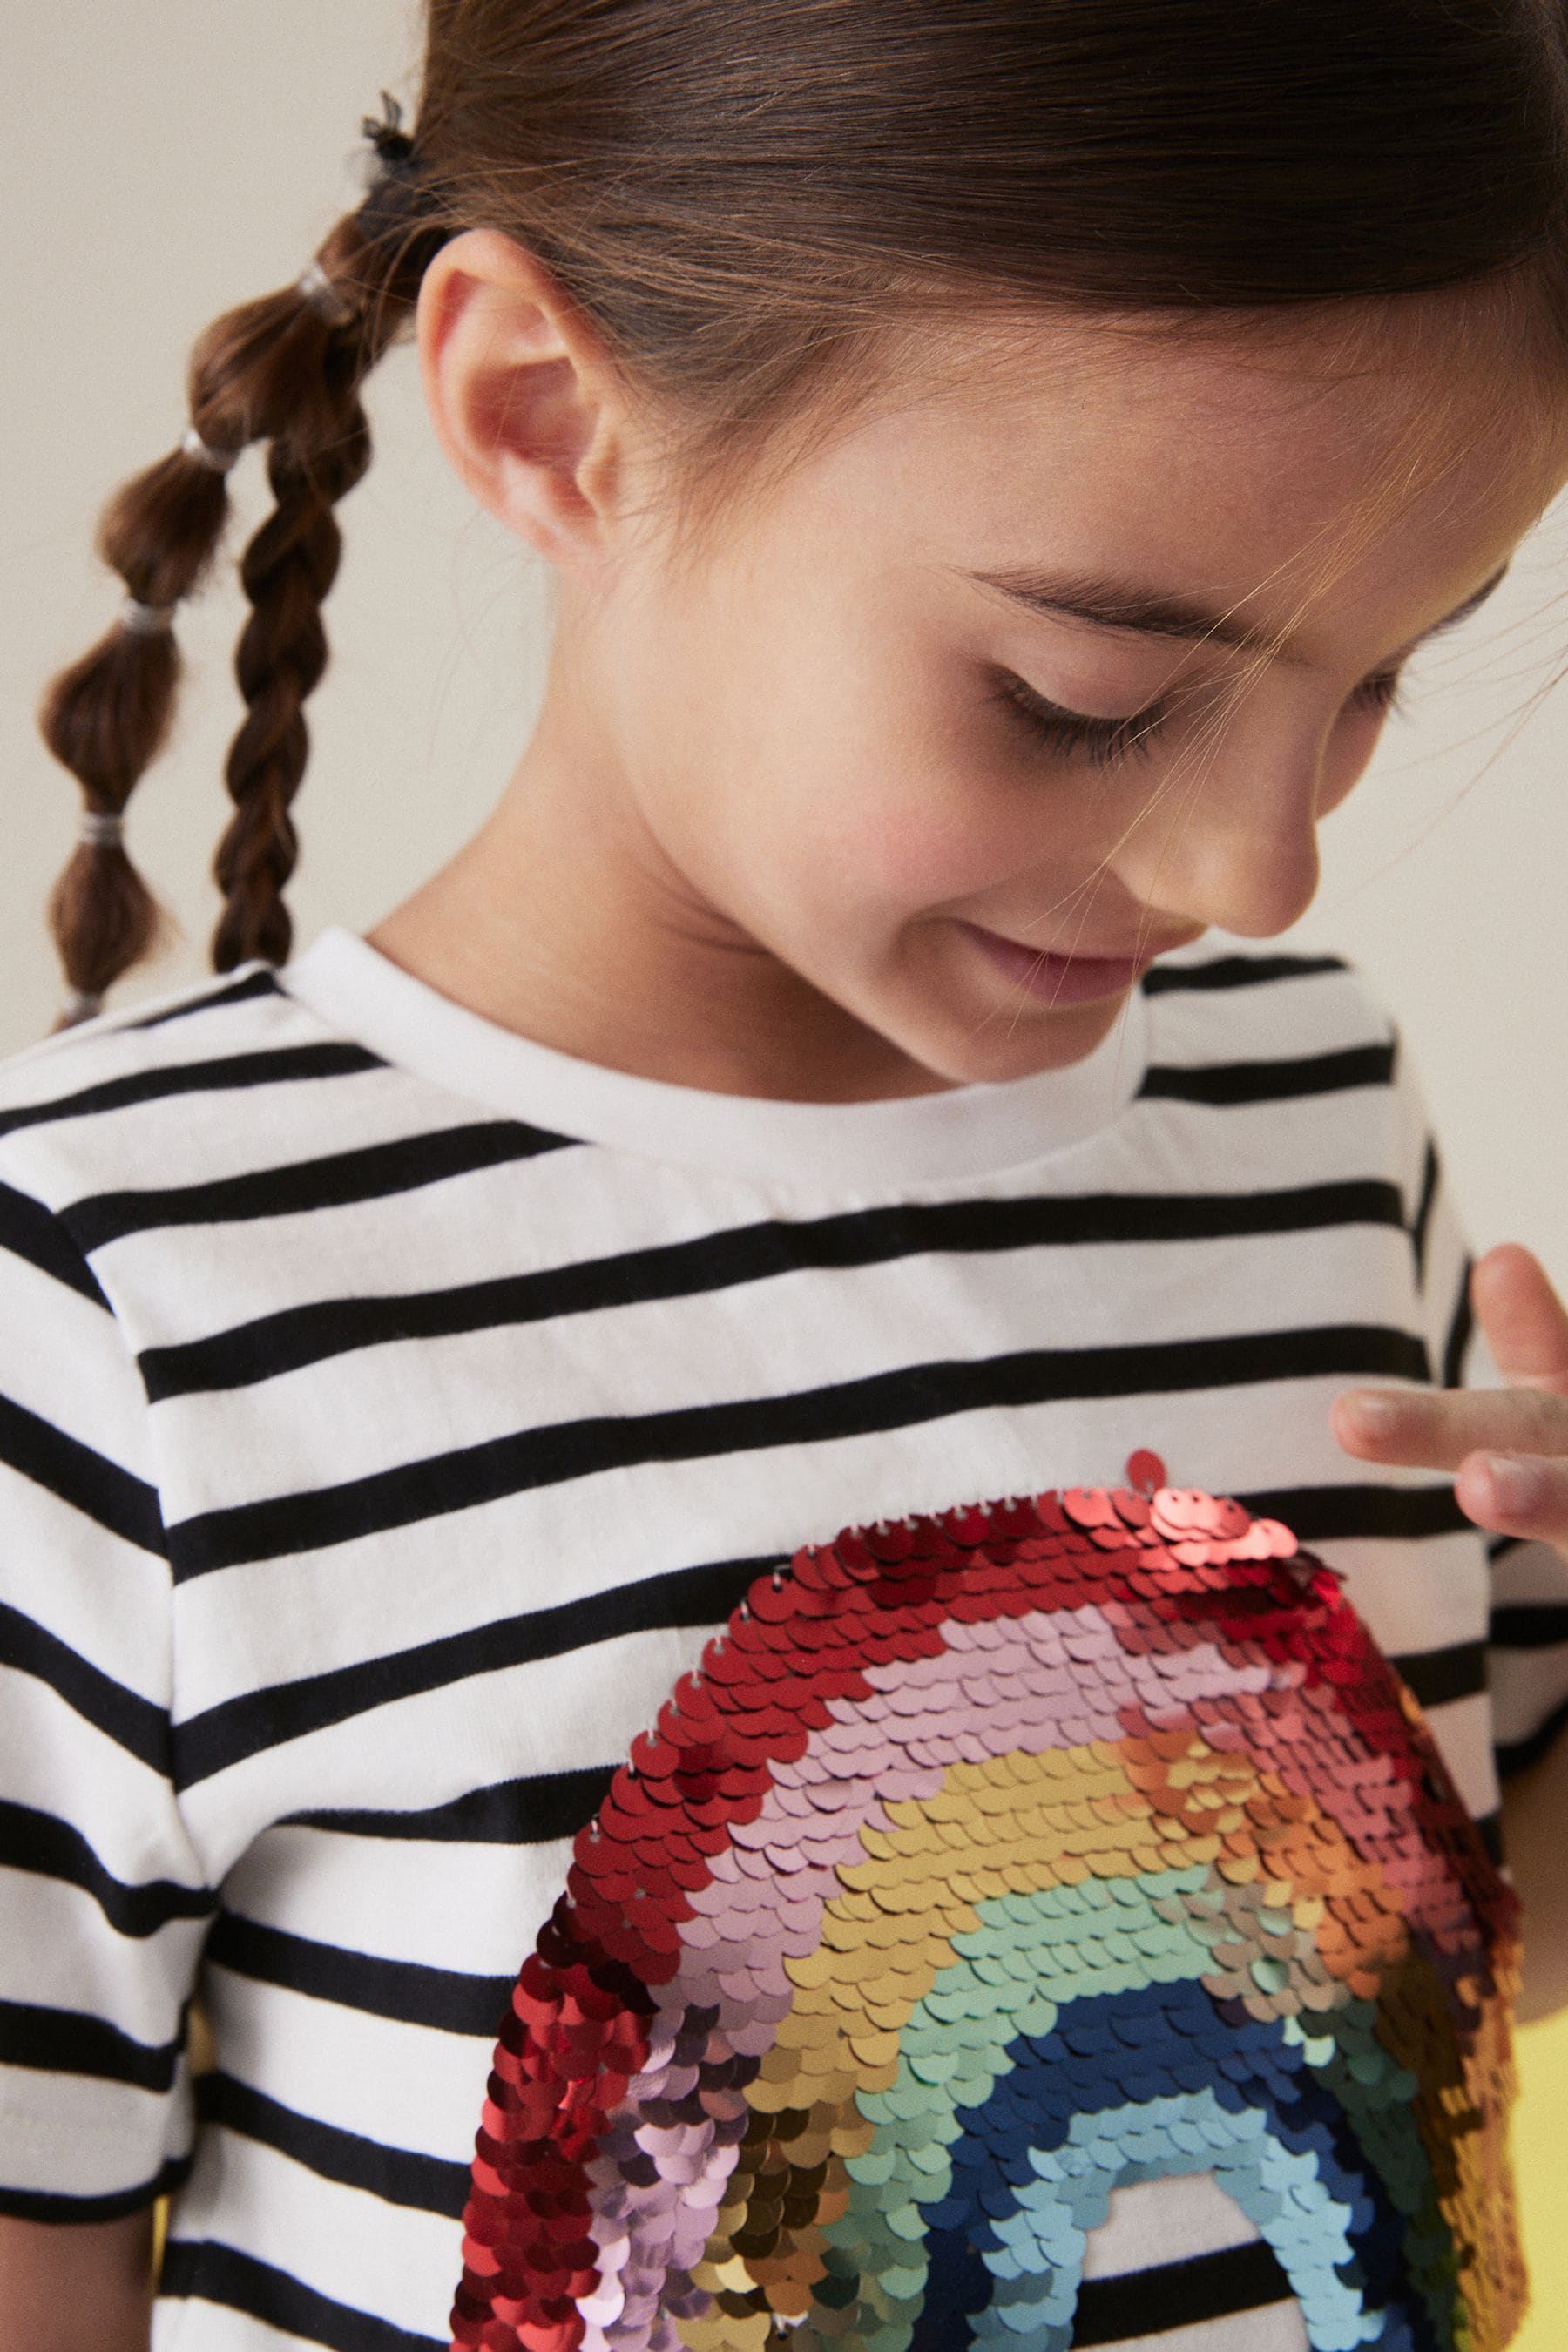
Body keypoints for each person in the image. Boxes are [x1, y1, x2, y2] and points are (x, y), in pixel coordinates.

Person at [3, 4, 1568, 2348]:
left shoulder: (1314, 1106)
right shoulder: (111, 1299)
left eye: (1377, 680)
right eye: (1084, 694)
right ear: (545, 417)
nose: (1262, 861)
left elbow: (1434, 1950)